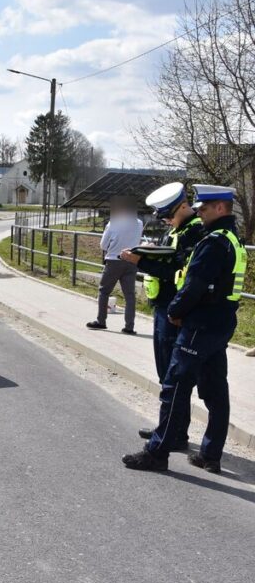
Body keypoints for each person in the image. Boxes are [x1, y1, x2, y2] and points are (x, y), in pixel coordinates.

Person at [123, 185, 247, 473]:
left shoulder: (214, 242)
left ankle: (157, 452)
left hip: (200, 324)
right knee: (216, 391)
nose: (198, 213)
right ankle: (210, 454)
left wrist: (176, 312)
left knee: (175, 387)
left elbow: (194, 285)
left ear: (220, 208)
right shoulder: (233, 239)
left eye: (204, 208)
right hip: (221, 323)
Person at [119, 183, 205, 448]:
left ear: (181, 206)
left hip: (175, 311)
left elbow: (178, 271)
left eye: (168, 215)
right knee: (165, 374)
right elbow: (168, 260)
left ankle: (176, 435)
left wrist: (140, 262)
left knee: (174, 378)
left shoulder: (194, 233)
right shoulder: (178, 229)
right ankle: (168, 428)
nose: (166, 221)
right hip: (162, 308)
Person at [87, 199, 143, 334]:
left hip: (114, 260)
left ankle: (101, 321)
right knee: (130, 295)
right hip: (131, 260)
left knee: (104, 291)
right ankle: (129, 326)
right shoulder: (139, 223)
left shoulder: (113, 223)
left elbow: (102, 245)